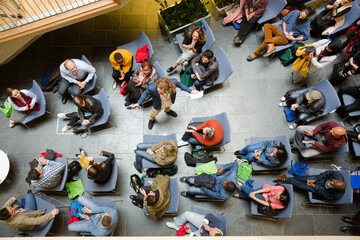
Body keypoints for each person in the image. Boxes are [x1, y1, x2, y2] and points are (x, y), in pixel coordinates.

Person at [247, 6, 314, 61]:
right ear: (301, 10)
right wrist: (284, 30)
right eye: (301, 14)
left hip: (285, 38)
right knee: (267, 25)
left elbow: (306, 37)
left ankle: (256, 53)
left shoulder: (306, 24)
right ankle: (271, 46)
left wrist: (294, 39)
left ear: (306, 17)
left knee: (267, 41)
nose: (300, 17)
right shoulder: (295, 12)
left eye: (303, 17)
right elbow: (284, 20)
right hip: (280, 29)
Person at [131, 77, 199, 130]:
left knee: (168, 107)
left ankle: (168, 111)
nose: (159, 92)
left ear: (167, 89)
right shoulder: (152, 88)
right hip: (158, 103)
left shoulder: (173, 82)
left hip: (168, 100)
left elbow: (180, 84)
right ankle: (152, 119)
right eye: (158, 91)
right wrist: (138, 103)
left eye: (161, 92)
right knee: (153, 113)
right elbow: (145, 93)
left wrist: (191, 91)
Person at [275, 170, 347, 201]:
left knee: (304, 186)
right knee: (306, 178)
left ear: (335, 189)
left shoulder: (336, 195)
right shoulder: (337, 175)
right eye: (333, 181)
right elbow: (327, 173)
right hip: (322, 179)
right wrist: (315, 180)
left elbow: (324, 194)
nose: (331, 183)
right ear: (338, 180)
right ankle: (286, 180)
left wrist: (314, 186)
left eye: (333, 185)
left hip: (322, 189)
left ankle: (286, 180)